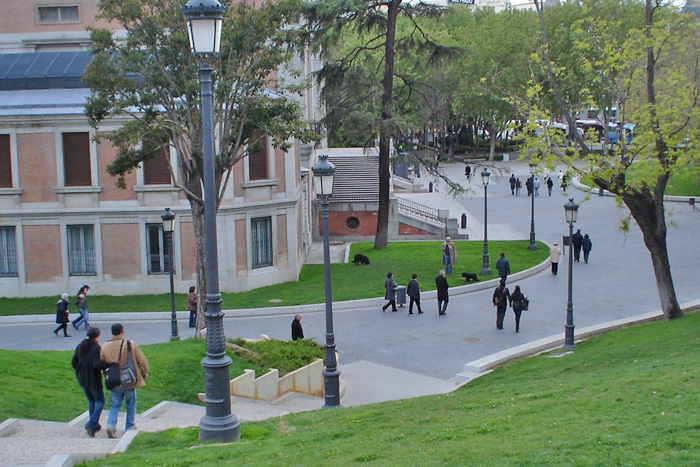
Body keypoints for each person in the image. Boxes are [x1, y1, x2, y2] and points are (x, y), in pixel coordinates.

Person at [100, 323, 149, 439]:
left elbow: (102, 363)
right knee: (131, 403)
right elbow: (142, 361)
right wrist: (144, 373)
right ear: (122, 331)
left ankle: (110, 425)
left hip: (114, 380)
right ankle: (130, 426)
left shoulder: (104, 346)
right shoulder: (130, 344)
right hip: (129, 380)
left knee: (114, 404)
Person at [72, 327, 109, 437]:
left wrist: (80, 371)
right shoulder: (96, 348)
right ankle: (92, 424)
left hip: (82, 378)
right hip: (93, 379)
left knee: (91, 400)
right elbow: (96, 364)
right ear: (96, 337)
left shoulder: (80, 346)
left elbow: (74, 362)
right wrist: (108, 365)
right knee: (100, 401)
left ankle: (94, 424)